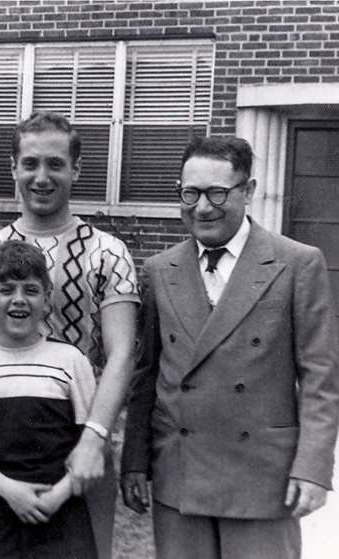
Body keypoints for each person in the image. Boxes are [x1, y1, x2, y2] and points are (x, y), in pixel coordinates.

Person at [0, 111, 139, 559]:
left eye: (56, 164)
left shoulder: (108, 252)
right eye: (30, 164)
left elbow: (122, 354)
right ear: (13, 168)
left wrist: (93, 441)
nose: (42, 177)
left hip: (79, 438)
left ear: (76, 170)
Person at [120, 136, 339, 559]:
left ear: (249, 190)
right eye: (190, 193)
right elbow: (145, 376)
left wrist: (313, 468)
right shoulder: (160, 269)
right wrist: (134, 460)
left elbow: (320, 378)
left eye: (217, 192)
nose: (202, 207)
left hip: (262, 478)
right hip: (180, 473)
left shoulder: (296, 262)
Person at [0, 240, 99, 559]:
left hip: (61, 507)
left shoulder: (71, 360)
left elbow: (91, 447)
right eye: (7, 290)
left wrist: (56, 496)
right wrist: (10, 491)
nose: (19, 300)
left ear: (46, 300)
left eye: (31, 290)